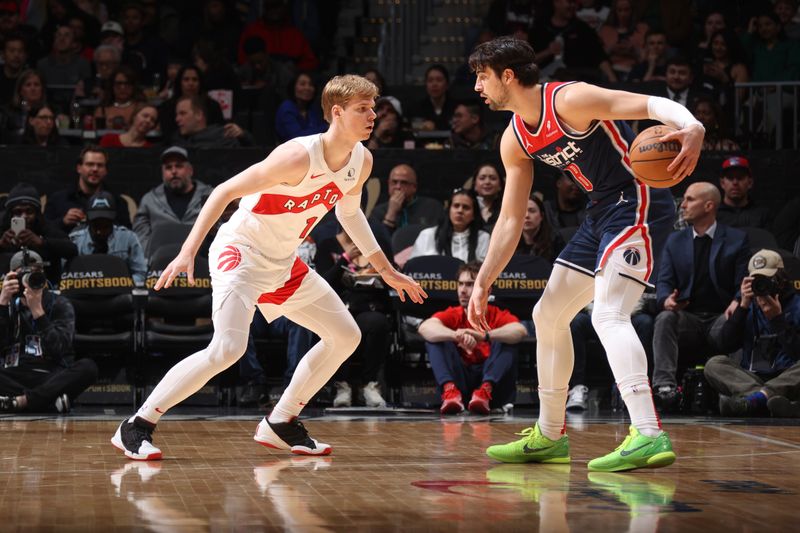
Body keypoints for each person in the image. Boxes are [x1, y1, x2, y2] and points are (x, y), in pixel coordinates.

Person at [110, 74, 426, 461]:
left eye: (373, 107)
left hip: (281, 262)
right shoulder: (296, 156)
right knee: (227, 348)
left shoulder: (361, 160)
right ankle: (137, 425)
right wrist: (187, 250)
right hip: (241, 252)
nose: (373, 115)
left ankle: (281, 421)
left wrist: (387, 270)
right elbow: (225, 191)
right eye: (364, 108)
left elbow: (349, 213)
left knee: (345, 335)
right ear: (338, 113)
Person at [467, 37, 705, 471]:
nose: (477, 88)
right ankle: (549, 434)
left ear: (507, 75)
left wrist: (692, 125)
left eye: (482, 77)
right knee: (548, 314)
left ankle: (648, 433)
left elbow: (651, 104)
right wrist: (483, 281)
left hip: (637, 199)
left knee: (607, 314)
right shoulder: (515, 137)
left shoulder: (570, 99)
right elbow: (509, 219)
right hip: (600, 212)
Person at [651, 182, 750, 409]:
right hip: (689, 319)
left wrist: (737, 301)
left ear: (708, 205)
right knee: (665, 318)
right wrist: (667, 299)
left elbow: (743, 281)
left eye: (689, 199)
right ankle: (664, 388)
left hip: (721, 317)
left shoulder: (736, 239)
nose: (683, 205)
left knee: (743, 314)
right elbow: (664, 282)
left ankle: (738, 390)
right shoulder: (674, 241)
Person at [419, 261, 527, 414]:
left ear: (487, 290)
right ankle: (450, 392)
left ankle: (484, 391)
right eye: (461, 284)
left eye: (470, 285)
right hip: (460, 382)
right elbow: (425, 327)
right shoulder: (454, 313)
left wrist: (485, 336)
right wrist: (456, 335)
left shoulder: (496, 314)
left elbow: (520, 330)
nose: (463, 290)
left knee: (508, 339)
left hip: (492, 386)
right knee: (435, 339)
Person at [704, 249, 800, 417]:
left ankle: (751, 401)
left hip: (787, 377)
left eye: (767, 279)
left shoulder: (796, 304)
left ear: (781, 279)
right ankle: (764, 400)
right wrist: (742, 307)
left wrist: (777, 320)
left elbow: (797, 353)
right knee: (714, 364)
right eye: (756, 280)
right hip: (752, 378)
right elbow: (724, 345)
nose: (761, 285)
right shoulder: (746, 306)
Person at [0, 249, 98, 413]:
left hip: (49, 374)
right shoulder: (6, 305)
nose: (27, 281)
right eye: (22, 275)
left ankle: (23, 401)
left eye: (33, 275)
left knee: (88, 367)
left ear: (43, 277)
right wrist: (2, 304)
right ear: (10, 277)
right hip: (13, 372)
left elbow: (60, 349)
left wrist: (38, 312)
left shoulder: (60, 303)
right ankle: (49, 400)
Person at [133, 146, 214, 257]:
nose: (174, 171)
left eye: (179, 166)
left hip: (201, 260)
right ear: (162, 173)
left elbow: (220, 229)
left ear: (190, 170)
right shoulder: (149, 200)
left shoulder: (209, 196)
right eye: (168, 167)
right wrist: (152, 259)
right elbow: (140, 236)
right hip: (161, 263)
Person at [0, 183, 77, 284]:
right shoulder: (3, 229)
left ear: (37, 213)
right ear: (10, 214)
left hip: (45, 288)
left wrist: (41, 242)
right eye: (18, 212)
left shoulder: (46, 227)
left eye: (29, 211)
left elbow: (72, 249)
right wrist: (1, 244)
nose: (24, 216)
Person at [45, 145, 132, 233]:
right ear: (79, 168)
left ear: (106, 170)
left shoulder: (118, 202)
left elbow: (127, 236)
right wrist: (63, 222)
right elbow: (43, 232)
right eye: (90, 164)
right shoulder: (57, 199)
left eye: (100, 165)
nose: (95, 169)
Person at [69, 191, 147, 285]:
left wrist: (123, 283)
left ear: (112, 220)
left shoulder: (128, 238)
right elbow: (65, 277)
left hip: (120, 294)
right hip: (85, 293)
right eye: (96, 225)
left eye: (105, 225)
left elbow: (141, 273)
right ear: (88, 220)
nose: (100, 231)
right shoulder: (75, 240)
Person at [409, 189, 491, 263]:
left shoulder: (483, 238)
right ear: (449, 210)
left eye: (466, 207)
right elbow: (414, 267)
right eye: (456, 206)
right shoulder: (427, 235)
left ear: (474, 215)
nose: (460, 211)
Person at [369, 163, 444, 234]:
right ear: (389, 184)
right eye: (394, 182)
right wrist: (391, 214)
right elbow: (378, 242)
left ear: (414, 187)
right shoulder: (377, 212)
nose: (398, 187)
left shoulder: (432, 207)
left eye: (404, 183)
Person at [171, 95, 254, 148]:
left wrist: (243, 136)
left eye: (182, 113)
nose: (177, 119)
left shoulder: (224, 136)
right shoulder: (176, 141)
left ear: (199, 115)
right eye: (177, 114)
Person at [716, 156, 771, 230]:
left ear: (750, 183)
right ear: (722, 183)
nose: (735, 182)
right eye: (730, 177)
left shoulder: (762, 215)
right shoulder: (713, 215)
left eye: (740, 177)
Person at [274, 71, 327, 143]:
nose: (307, 88)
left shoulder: (312, 108)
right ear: (293, 87)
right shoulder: (286, 108)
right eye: (302, 84)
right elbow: (296, 137)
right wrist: (328, 127)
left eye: (311, 84)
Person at [471, 162, 504, 229]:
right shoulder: (467, 208)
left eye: (493, 178)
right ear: (475, 185)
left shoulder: (507, 208)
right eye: (482, 178)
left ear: (500, 185)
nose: (487, 182)